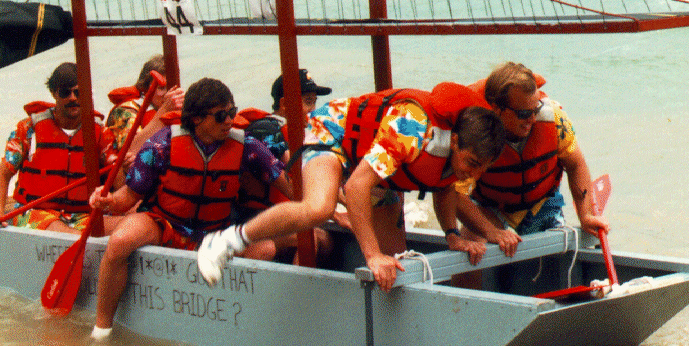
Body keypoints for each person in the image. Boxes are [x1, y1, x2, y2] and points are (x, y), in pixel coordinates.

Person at [197, 83, 509, 292]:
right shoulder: (411, 129)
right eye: (471, 163)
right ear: (454, 141)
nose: (473, 173)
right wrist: (371, 255)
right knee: (318, 209)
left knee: (396, 266)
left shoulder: (460, 151)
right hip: (333, 132)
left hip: (374, 160)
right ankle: (226, 241)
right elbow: (359, 185)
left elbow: (444, 186)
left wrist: (454, 235)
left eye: (482, 168)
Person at [87, 77, 288, 337]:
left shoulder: (247, 146)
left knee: (265, 249)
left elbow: (288, 185)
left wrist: (329, 203)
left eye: (232, 112)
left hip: (214, 233)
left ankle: (234, 327)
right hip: (165, 224)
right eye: (221, 116)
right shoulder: (161, 145)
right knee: (119, 242)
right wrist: (106, 201)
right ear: (196, 119)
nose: (229, 121)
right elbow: (127, 197)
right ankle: (102, 330)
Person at [454, 62, 609, 258]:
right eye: (524, 114)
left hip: (542, 206)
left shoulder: (554, 120)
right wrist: (491, 232)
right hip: (492, 208)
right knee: (471, 243)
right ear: (497, 109)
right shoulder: (478, 132)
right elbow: (456, 194)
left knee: (562, 257)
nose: (533, 119)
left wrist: (585, 215)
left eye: (535, 109)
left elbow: (576, 165)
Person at [0, 62, 118, 235]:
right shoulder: (28, 129)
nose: (73, 98)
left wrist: (126, 164)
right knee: (72, 235)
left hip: (82, 216)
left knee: (128, 226)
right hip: (34, 213)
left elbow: (117, 178)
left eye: (78, 92)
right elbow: (2, 175)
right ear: (54, 93)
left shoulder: (101, 134)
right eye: (65, 92)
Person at [233, 69, 334, 263]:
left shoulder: (302, 135)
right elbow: (300, 175)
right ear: (285, 104)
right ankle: (301, 282)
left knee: (326, 240)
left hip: (282, 222)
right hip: (253, 222)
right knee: (310, 238)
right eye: (308, 102)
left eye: (315, 102)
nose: (313, 110)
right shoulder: (265, 131)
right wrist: (335, 214)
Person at [105, 54, 185, 171]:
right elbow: (130, 154)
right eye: (161, 88)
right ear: (145, 88)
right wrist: (164, 111)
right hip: (125, 175)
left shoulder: (179, 112)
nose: (168, 94)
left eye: (171, 88)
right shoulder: (125, 111)